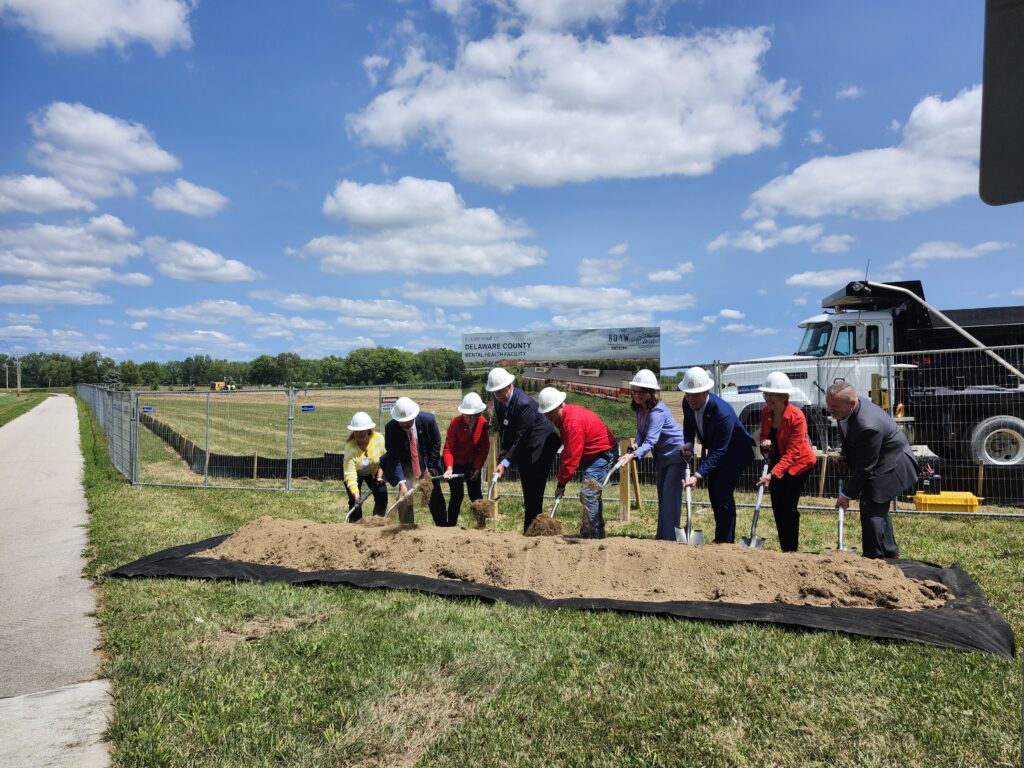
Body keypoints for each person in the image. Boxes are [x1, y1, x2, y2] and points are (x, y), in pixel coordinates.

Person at [825, 381, 918, 559]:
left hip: (894, 464)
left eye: (834, 407)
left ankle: (873, 559)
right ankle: (890, 554)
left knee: (871, 505)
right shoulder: (849, 408)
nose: (830, 410)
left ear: (851, 403)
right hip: (880, 460)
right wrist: (845, 454)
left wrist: (845, 495)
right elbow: (850, 437)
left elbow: (866, 467)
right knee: (877, 508)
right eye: (828, 405)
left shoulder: (868, 425)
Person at [680, 366, 754, 544]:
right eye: (688, 394)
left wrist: (697, 475)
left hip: (736, 453)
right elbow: (689, 423)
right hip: (717, 450)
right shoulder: (687, 402)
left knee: (722, 493)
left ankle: (725, 542)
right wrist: (689, 443)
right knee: (714, 493)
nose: (691, 399)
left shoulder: (722, 413)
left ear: (706, 391)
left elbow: (721, 450)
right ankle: (721, 538)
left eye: (695, 395)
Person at [486, 367, 562, 534]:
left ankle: (536, 529)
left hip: (540, 445)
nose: (498, 396)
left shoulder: (524, 404)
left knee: (534, 489)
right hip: (525, 445)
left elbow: (521, 438)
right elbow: (505, 427)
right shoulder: (499, 401)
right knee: (527, 486)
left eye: (500, 392)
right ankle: (530, 528)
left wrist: (505, 463)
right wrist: (504, 448)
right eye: (495, 393)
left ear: (510, 386)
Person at [537, 387, 619, 539]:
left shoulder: (572, 422)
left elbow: (571, 458)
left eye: (550, 411)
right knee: (591, 493)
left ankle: (593, 534)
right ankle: (593, 531)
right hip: (592, 454)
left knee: (589, 493)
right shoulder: (562, 418)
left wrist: (561, 484)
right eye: (546, 412)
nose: (548, 416)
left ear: (561, 404)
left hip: (602, 454)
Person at [620, 368, 686, 541]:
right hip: (662, 457)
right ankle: (662, 535)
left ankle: (670, 538)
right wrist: (636, 444)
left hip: (675, 455)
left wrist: (632, 455)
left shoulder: (658, 412)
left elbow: (651, 441)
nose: (636, 395)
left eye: (640, 392)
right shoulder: (640, 409)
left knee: (670, 495)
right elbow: (642, 433)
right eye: (634, 391)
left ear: (650, 393)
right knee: (662, 496)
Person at [755, 372, 817, 551]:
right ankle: (785, 549)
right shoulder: (766, 411)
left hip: (799, 465)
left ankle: (792, 549)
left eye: (771, 394)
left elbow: (793, 452)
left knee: (788, 507)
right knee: (777, 506)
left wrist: (772, 474)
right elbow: (765, 436)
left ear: (784, 396)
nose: (767, 398)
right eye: (765, 394)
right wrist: (764, 442)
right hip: (777, 461)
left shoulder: (797, 417)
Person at [381, 396, 445, 525]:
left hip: (427, 463)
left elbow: (436, 443)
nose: (405, 424)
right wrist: (401, 481)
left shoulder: (428, 421)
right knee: (405, 496)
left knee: (434, 495)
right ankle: (406, 527)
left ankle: (442, 526)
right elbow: (394, 457)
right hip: (406, 465)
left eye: (408, 421)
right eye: (401, 422)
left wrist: (431, 466)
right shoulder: (391, 428)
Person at [441, 392, 490, 527]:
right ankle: (450, 526)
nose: (470, 418)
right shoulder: (455, 423)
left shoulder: (482, 423)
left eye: (474, 415)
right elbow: (448, 449)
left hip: (473, 463)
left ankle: (481, 525)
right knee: (457, 495)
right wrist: (449, 467)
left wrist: (477, 467)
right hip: (456, 463)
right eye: (467, 415)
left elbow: (484, 447)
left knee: (476, 496)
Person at [342, 411, 387, 521]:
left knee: (382, 495)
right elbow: (351, 476)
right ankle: (355, 524)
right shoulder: (350, 448)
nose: (359, 434)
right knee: (354, 501)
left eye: (362, 430)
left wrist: (379, 477)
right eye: (356, 431)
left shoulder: (379, 439)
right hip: (355, 473)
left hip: (375, 471)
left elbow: (383, 460)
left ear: (368, 430)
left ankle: (377, 521)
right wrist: (357, 496)